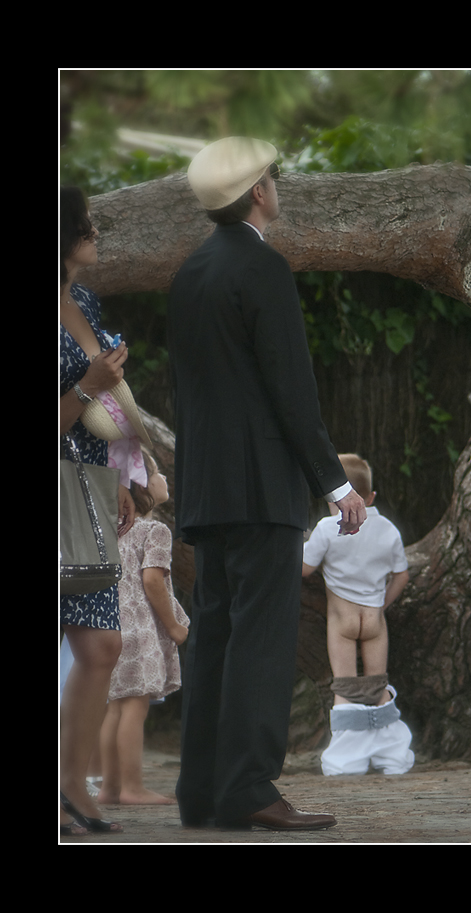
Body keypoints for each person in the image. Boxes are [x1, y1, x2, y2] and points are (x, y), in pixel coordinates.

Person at [167, 136, 367, 831]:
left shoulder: (189, 272)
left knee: (215, 634)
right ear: (257, 190)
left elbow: (190, 391)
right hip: (259, 490)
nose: (278, 187)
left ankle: (202, 789)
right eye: (274, 179)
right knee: (258, 638)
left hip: (204, 489)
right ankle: (249, 785)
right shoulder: (263, 269)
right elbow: (291, 389)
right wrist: (336, 484)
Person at [60, 185, 134, 835]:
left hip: (84, 486)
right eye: (83, 222)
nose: (96, 228)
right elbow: (84, 394)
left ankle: (70, 783)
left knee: (102, 644)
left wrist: (127, 475)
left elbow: (102, 408)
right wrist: (89, 383)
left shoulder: (83, 300)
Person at [302, 453, 414, 776]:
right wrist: (381, 605)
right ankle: (391, 757)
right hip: (375, 622)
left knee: (346, 689)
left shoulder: (327, 528)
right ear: (372, 496)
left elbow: (305, 569)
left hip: (343, 623)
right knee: (378, 688)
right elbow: (402, 575)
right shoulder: (388, 529)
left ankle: (345, 762)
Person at [98, 451, 189, 806]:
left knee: (115, 709)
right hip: (138, 629)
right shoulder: (155, 530)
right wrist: (174, 626)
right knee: (135, 709)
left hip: (109, 624)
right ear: (139, 485)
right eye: (157, 473)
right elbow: (152, 581)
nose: (164, 478)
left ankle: (110, 787)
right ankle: (133, 788)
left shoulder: (108, 529)